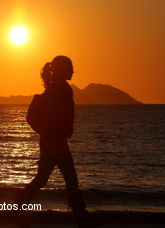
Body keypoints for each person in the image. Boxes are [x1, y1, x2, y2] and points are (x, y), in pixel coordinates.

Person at [15, 56, 102, 228]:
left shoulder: (57, 88)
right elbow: (54, 115)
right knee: (69, 180)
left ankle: (17, 211)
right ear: (62, 70)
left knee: (43, 179)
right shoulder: (60, 89)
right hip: (55, 143)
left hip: (53, 141)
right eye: (70, 68)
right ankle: (82, 219)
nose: (73, 71)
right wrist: (52, 132)